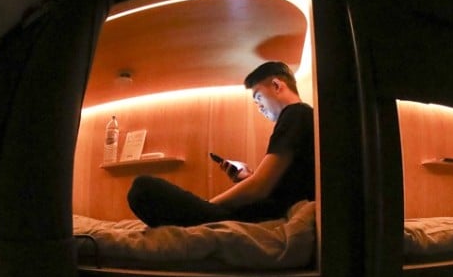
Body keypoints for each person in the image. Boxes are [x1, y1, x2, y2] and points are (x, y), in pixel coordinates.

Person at [126, 61, 315, 227]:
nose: (259, 107)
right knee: (143, 191)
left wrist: (209, 206)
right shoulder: (301, 117)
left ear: (276, 85)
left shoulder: (295, 114)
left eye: (258, 97)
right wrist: (247, 176)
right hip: (259, 212)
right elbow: (274, 185)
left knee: (142, 187)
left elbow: (260, 187)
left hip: (257, 216)